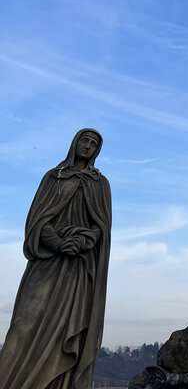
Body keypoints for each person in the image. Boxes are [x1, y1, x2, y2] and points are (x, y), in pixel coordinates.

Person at [0, 129, 112, 389]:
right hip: (48, 261)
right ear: (75, 143)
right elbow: (37, 220)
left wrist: (83, 241)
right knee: (23, 325)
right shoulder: (54, 177)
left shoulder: (100, 184)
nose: (88, 146)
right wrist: (59, 242)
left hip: (78, 268)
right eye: (85, 140)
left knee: (67, 331)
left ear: (97, 151)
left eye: (94, 144)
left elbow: (101, 228)